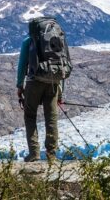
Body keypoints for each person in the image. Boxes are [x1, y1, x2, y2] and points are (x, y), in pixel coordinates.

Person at [16, 17, 72, 162]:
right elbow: (62, 66)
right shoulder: (58, 39)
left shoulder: (28, 41)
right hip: (54, 82)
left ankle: (34, 153)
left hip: (34, 81)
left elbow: (22, 65)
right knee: (51, 118)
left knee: (30, 116)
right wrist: (60, 93)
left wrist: (19, 86)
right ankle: (51, 155)